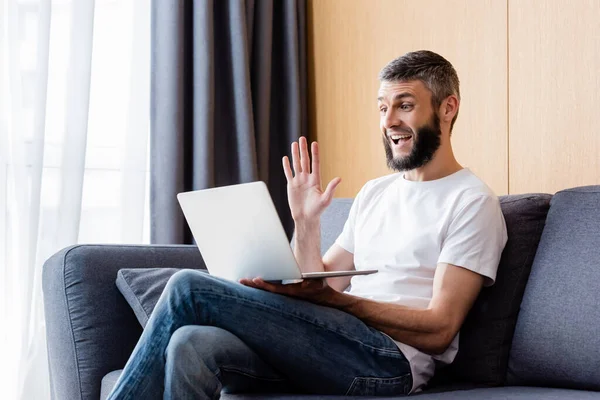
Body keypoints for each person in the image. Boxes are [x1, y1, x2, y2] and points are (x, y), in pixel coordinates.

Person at [108, 50, 507, 399]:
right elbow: (322, 283)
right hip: (336, 343)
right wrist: (306, 222)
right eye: (382, 107)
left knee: (186, 287)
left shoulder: (470, 202)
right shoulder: (376, 193)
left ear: (447, 107)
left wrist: (338, 303)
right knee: (190, 343)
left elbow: (440, 328)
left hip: (389, 363)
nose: (389, 121)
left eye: (404, 105)